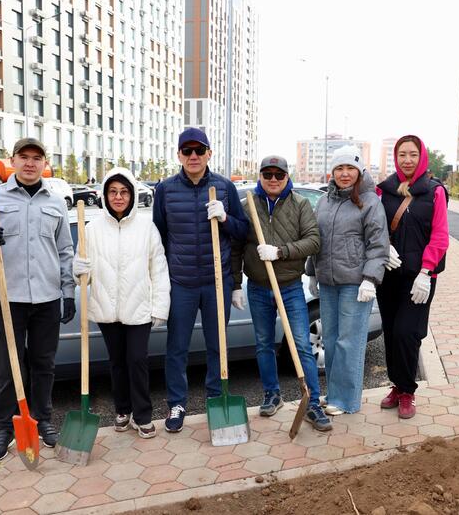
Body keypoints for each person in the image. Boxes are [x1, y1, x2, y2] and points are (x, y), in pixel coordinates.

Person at [0, 137, 75, 461]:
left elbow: (65, 251)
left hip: (46, 298)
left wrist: (67, 292)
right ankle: (5, 428)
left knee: (44, 364)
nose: (29, 163)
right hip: (7, 298)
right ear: (12, 160)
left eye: (36, 158)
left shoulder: (56, 202)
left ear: (44, 163)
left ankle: (42, 421)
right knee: (9, 367)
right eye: (23, 157)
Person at [152, 127, 249, 433]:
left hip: (215, 281)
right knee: (177, 346)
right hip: (181, 282)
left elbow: (242, 232)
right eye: (187, 151)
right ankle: (177, 404)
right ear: (179, 155)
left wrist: (225, 218)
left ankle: (215, 397)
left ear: (209, 153)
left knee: (216, 345)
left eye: (199, 150)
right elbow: (159, 237)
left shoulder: (224, 187)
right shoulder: (165, 190)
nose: (193, 156)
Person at [231, 155, 331, 431]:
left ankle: (311, 403)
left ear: (287, 176)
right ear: (260, 176)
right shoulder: (248, 206)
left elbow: (313, 240)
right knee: (264, 344)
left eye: (278, 174)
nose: (273, 179)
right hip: (259, 288)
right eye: (267, 174)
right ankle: (272, 395)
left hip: (289, 287)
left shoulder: (299, 204)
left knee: (300, 344)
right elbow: (237, 247)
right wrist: (236, 284)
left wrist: (280, 252)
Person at [72, 167, 170, 438]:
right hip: (106, 307)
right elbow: (86, 277)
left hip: (138, 307)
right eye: (113, 192)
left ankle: (142, 414)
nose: (118, 197)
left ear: (132, 195)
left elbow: (158, 269)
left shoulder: (146, 227)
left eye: (124, 191)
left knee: (137, 360)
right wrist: (78, 268)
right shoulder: (92, 229)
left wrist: (160, 307)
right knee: (117, 362)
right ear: (105, 195)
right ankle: (122, 410)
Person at [306, 147, 389, 415]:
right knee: (330, 340)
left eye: (350, 168)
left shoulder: (370, 202)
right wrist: (311, 273)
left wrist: (370, 279)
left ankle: (346, 401)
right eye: (339, 169)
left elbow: (378, 245)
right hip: (329, 281)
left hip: (356, 283)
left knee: (349, 342)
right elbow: (316, 239)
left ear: (359, 171)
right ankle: (334, 394)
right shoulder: (325, 201)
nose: (344, 174)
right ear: (332, 172)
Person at [376, 135, 449, 420]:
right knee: (392, 333)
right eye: (402, 155)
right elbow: (375, 227)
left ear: (422, 157)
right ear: (396, 158)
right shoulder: (385, 191)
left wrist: (426, 272)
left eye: (413, 155)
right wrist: (384, 247)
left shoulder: (434, 192)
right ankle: (396, 386)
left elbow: (440, 236)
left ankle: (408, 392)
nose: (407, 160)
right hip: (390, 274)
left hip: (418, 278)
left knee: (408, 333)